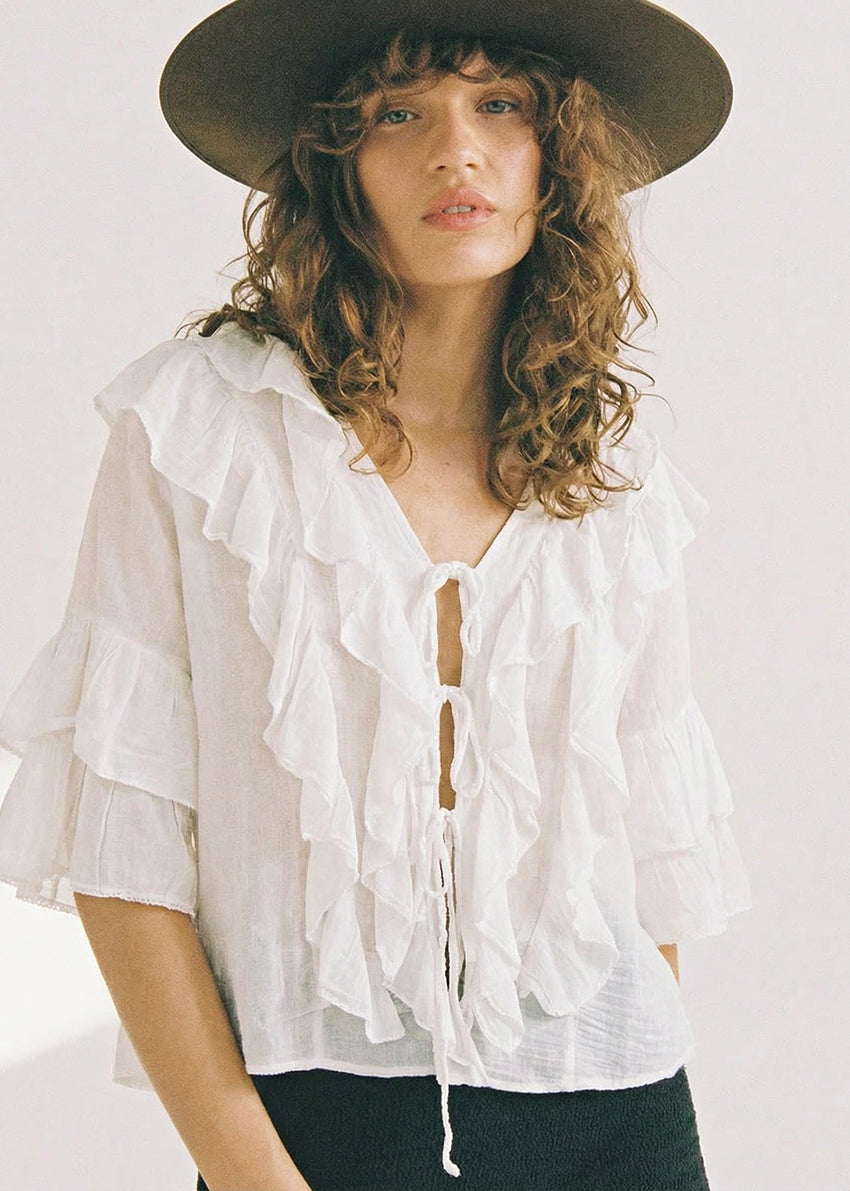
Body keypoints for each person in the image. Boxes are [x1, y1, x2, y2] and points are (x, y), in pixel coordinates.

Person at [0, 2, 753, 1188]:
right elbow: (124, 842)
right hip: (313, 1128)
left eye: (500, 105)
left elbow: (642, 838)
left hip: (617, 1118)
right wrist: (249, 1170)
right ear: (331, 163)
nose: (456, 149)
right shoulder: (202, 431)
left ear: (558, 156)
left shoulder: (613, 469)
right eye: (398, 114)